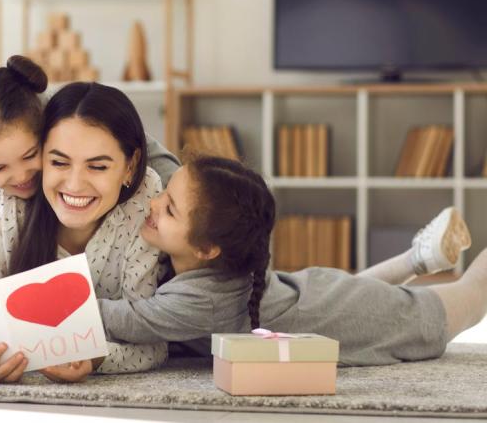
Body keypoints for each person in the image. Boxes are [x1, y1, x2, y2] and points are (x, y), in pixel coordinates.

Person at [97, 155, 483, 367]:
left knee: (473, 293)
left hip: (356, 313)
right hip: (321, 293)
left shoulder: (204, 301)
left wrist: (39, 299)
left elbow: (123, 320)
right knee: (362, 291)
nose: (152, 203)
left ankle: (421, 257)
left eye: (168, 209)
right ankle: (419, 256)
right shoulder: (211, 245)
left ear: (206, 249)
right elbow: (159, 156)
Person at [0, 81, 170, 383]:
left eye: (97, 167)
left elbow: (151, 340)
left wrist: (96, 358)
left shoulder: (147, 195)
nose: (74, 185)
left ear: (130, 166)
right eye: (58, 162)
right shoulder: (5, 202)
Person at [0, 56, 179, 254]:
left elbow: (136, 147)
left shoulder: (65, 122)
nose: (20, 176)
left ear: (43, 130)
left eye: (30, 155)